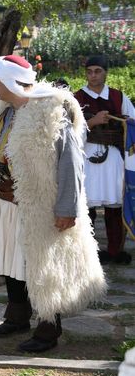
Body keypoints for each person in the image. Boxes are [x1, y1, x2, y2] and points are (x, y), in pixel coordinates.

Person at [0, 54, 106, 352]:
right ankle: (17, 316)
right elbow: (1, 148)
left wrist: (67, 209)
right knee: (10, 262)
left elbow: (70, 163)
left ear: (8, 81)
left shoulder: (50, 114)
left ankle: (47, 329)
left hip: (39, 206)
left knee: (41, 268)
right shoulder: (1, 112)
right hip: (5, 201)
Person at [74, 55, 135, 264]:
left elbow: (134, 123)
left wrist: (125, 122)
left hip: (114, 159)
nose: (93, 76)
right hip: (87, 156)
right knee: (86, 207)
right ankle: (87, 253)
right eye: (89, 71)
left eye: (97, 71)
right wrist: (92, 121)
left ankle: (115, 251)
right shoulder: (77, 98)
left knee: (114, 207)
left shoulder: (118, 97)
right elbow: (66, 129)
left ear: (105, 72)